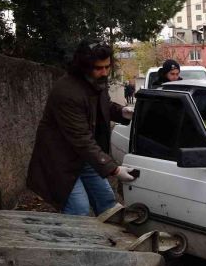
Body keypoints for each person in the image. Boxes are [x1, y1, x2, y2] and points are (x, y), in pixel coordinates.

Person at [27, 39, 136, 216]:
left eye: (107, 67)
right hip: (61, 159)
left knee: (107, 201)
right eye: (99, 68)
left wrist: (122, 112)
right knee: (78, 210)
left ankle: (106, 242)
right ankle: (75, 243)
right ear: (83, 67)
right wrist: (114, 169)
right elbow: (81, 138)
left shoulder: (95, 82)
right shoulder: (66, 92)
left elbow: (103, 106)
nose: (104, 72)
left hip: (85, 157)